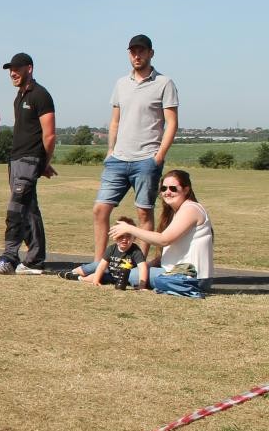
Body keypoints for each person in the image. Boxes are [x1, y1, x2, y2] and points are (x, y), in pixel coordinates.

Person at [92, 34, 180, 262]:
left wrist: (159, 156)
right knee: (100, 210)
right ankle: (99, 264)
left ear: (151, 53)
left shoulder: (164, 83)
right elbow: (115, 121)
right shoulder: (121, 83)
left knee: (143, 212)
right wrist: (109, 151)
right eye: (133, 51)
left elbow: (172, 122)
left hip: (146, 160)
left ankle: (136, 265)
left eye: (141, 51)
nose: (137, 55)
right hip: (117, 159)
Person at [0, 53, 56, 276]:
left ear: (30, 68)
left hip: (29, 159)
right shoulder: (20, 96)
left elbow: (49, 135)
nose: (13, 73)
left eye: (17, 69)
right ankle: (35, 260)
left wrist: (42, 163)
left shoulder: (40, 95)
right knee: (29, 211)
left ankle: (9, 259)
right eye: (10, 69)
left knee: (15, 209)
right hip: (17, 159)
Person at [108, 169, 213, 298]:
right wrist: (148, 265)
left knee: (128, 274)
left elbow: (164, 240)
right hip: (181, 273)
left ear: (186, 190)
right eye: (163, 188)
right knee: (131, 271)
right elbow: (171, 251)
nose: (167, 192)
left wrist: (130, 229)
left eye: (173, 188)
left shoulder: (190, 209)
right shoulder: (178, 211)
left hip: (191, 277)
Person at [59, 216, 149, 288]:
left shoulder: (135, 250)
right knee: (96, 269)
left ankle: (77, 278)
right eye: (120, 236)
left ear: (134, 237)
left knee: (97, 277)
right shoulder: (111, 248)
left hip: (119, 278)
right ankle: (72, 271)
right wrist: (96, 281)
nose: (124, 239)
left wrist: (142, 286)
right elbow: (102, 266)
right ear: (114, 236)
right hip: (109, 272)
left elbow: (142, 268)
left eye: (128, 236)